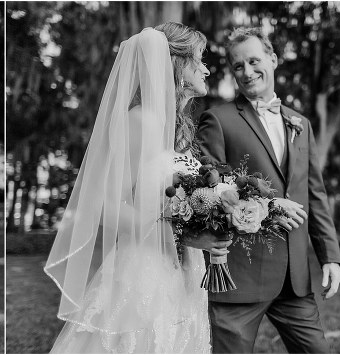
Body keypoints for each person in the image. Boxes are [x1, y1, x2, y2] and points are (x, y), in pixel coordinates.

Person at [44, 23, 225, 353]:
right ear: (177, 64)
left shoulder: (178, 128)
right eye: (199, 59)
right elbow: (104, 205)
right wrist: (176, 228)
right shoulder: (141, 120)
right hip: (146, 272)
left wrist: (206, 224)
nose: (206, 69)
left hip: (185, 269)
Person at [197, 27, 340, 353]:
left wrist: (330, 257)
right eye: (238, 66)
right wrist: (271, 205)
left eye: (253, 61)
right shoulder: (218, 120)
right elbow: (210, 188)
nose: (247, 72)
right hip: (239, 277)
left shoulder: (300, 124)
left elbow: (314, 194)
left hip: (294, 279)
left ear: (273, 60)